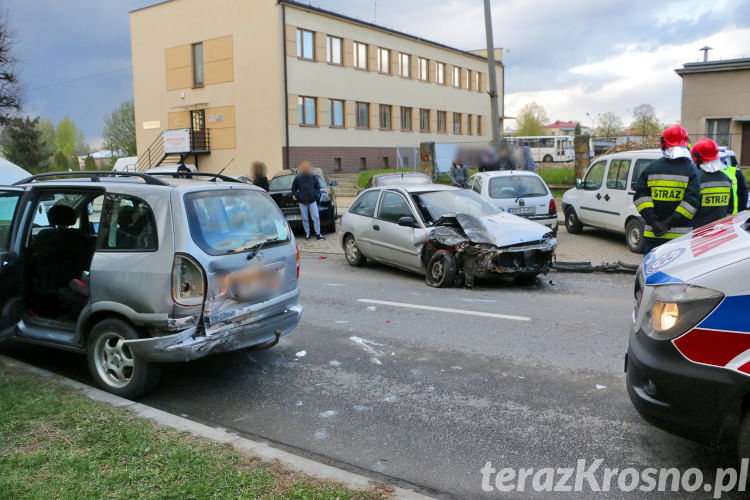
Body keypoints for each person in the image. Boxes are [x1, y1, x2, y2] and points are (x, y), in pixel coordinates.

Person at [633, 125, 701, 254]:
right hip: (680, 237)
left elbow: (640, 198)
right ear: (686, 144)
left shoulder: (651, 168)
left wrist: (654, 222)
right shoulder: (692, 170)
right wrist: (667, 223)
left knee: (651, 271)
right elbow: (692, 203)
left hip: (653, 234)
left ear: (664, 144)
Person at [691, 138, 733, 228]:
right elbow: (730, 209)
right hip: (719, 232)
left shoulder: (695, 179)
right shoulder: (727, 179)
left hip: (696, 233)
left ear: (697, 157)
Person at [291, 160, 324, 240]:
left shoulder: (313, 177)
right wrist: (298, 196)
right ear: (302, 168)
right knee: (305, 218)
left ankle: (318, 234)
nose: (305, 169)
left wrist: (315, 195)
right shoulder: (298, 178)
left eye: (307, 167)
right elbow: (293, 189)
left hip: (312, 200)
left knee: (316, 217)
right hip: (302, 201)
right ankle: (307, 234)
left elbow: (317, 187)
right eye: (304, 167)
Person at [719, 150, 748, 214]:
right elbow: (743, 195)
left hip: (712, 216)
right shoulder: (736, 172)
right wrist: (741, 212)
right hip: (733, 215)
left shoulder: (705, 173)